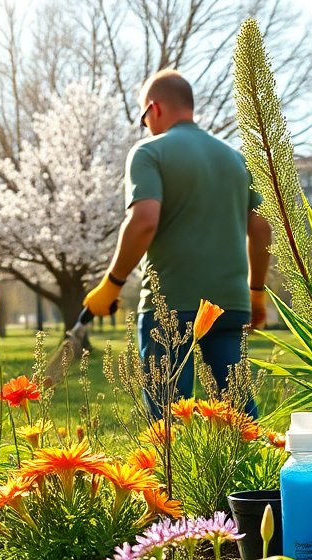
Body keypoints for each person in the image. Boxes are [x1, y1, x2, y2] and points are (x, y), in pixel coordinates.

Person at [83, 69, 271, 417]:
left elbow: (143, 222)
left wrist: (112, 284)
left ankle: (174, 473)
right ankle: (251, 470)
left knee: (167, 419)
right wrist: (256, 294)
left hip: (170, 305)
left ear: (153, 108)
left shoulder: (149, 152)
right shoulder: (236, 159)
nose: (145, 125)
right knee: (240, 413)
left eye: (143, 117)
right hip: (229, 304)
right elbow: (261, 228)